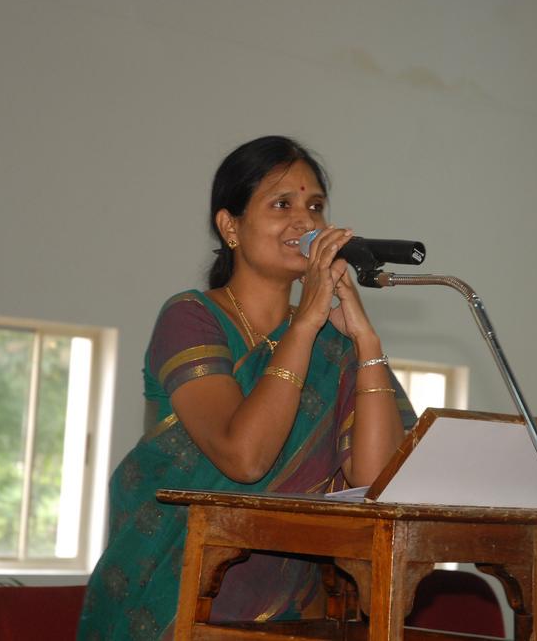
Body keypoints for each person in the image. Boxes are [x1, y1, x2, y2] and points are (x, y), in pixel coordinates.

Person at [77, 135, 417, 640]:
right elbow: (245, 458)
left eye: (315, 206)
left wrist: (367, 341)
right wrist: (307, 322)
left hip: (284, 617)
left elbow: (377, 485)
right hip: (167, 602)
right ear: (230, 226)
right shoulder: (191, 318)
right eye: (282, 204)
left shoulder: (335, 344)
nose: (304, 221)